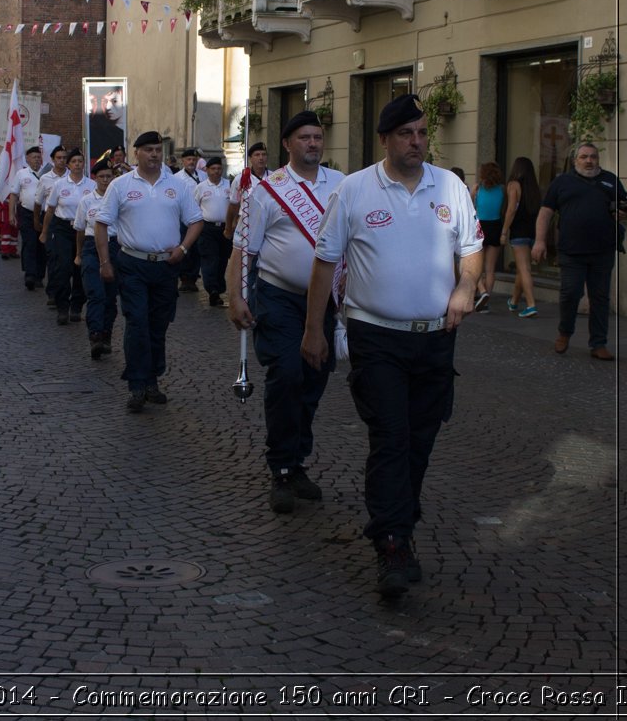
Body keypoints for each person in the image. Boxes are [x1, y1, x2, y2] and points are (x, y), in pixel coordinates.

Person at [301, 93, 483, 598]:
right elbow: (324, 263)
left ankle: (399, 522)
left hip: (434, 340)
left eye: (423, 133)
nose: (417, 143)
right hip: (374, 336)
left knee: (420, 441)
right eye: (406, 134)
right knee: (390, 436)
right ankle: (392, 541)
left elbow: (471, 248)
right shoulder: (355, 190)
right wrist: (314, 329)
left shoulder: (449, 186)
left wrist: (466, 287)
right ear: (385, 139)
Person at [227, 111, 344, 515]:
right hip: (278, 298)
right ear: (287, 144)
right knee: (287, 375)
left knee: (312, 381)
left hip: (323, 301)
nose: (313, 143)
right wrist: (235, 297)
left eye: (318, 136)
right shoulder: (267, 191)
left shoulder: (342, 185)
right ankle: (280, 467)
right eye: (305, 137)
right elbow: (244, 249)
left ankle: (297, 461)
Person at [94, 131, 203, 413]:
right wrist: (105, 262)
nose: (155, 154)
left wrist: (183, 249)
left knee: (158, 324)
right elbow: (102, 224)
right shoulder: (120, 185)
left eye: (158, 150)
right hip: (132, 264)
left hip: (166, 265)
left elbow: (195, 221)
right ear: (137, 154)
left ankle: (153, 378)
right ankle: (137, 384)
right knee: (137, 322)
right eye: (149, 150)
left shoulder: (177, 186)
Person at [532, 142, 627, 360]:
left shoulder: (610, 180)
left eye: (593, 156)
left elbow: (625, 204)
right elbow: (546, 212)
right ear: (575, 160)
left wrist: (623, 212)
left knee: (600, 298)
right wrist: (539, 241)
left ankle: (598, 343)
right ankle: (564, 333)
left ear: (598, 159)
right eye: (584, 157)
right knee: (570, 293)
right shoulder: (562, 182)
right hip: (571, 251)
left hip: (603, 250)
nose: (589, 160)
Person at [41, 149, 94, 325]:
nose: (77, 164)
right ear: (69, 165)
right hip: (63, 228)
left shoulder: (91, 185)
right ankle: (62, 306)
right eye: (74, 161)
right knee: (62, 268)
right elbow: (50, 209)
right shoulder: (60, 185)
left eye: (80, 161)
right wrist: (44, 232)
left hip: (84, 230)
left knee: (81, 269)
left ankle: (76, 305)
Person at [74, 157, 119, 359]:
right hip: (91, 248)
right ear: (95, 178)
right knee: (95, 293)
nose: (105, 180)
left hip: (115, 247)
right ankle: (95, 336)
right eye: (101, 177)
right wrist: (78, 253)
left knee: (110, 296)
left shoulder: (119, 198)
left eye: (108, 176)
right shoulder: (86, 201)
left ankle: (106, 333)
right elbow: (80, 230)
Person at [501, 156, 541, 317]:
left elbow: (511, 210)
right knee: (522, 268)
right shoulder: (534, 188)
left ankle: (531, 305)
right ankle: (514, 301)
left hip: (519, 232)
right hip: (533, 232)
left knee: (524, 269)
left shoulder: (513, 185)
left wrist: (504, 231)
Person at [194, 157, 232, 306]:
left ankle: (219, 287)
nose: (216, 172)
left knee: (223, 260)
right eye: (213, 169)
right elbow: (194, 206)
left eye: (218, 168)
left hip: (225, 228)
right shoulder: (201, 187)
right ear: (207, 170)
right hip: (207, 228)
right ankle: (213, 290)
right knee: (210, 259)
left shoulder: (229, 185)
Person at [33, 145, 67, 300]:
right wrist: (37, 222)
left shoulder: (72, 177)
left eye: (64, 158)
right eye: (59, 158)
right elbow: (38, 202)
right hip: (51, 220)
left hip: (69, 222)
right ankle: (53, 292)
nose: (62, 161)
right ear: (53, 160)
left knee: (66, 259)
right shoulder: (45, 178)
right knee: (53, 256)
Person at [8, 146, 45, 286]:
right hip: (26, 213)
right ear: (27, 159)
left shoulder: (47, 173)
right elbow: (14, 194)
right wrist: (11, 214)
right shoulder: (21, 174)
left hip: (43, 214)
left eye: (38, 157)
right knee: (29, 243)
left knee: (42, 244)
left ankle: (40, 275)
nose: (36, 160)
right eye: (34, 157)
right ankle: (30, 274)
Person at [471, 162, 504, 312]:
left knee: (476, 265)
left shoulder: (477, 188)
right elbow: (504, 208)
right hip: (496, 226)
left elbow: (469, 206)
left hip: (480, 226)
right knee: (490, 269)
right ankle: (486, 300)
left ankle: (482, 291)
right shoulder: (503, 189)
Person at [175, 148, 206, 292]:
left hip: (199, 217)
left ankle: (193, 276)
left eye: (194, 159)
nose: (191, 162)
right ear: (183, 161)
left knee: (197, 249)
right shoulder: (176, 178)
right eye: (188, 159)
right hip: (183, 218)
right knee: (184, 246)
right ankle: (184, 278)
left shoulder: (203, 176)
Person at [224, 141, 269, 240]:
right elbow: (233, 205)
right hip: (247, 223)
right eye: (257, 155)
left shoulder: (274, 177)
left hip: (268, 223)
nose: (261, 158)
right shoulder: (241, 179)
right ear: (250, 158)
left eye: (264, 154)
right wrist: (229, 226)